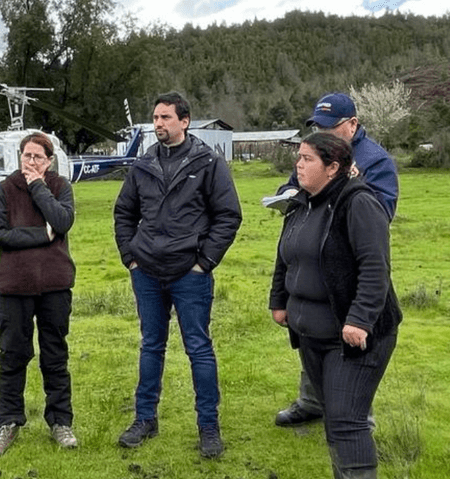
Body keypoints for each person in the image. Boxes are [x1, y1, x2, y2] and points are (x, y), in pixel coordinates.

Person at [113, 92, 242, 458]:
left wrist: (205, 262)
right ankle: (145, 419)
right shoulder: (143, 164)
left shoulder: (207, 163)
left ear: (185, 121)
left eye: (166, 117)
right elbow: (123, 213)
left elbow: (228, 215)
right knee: (151, 345)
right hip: (147, 272)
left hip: (190, 274)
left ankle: (208, 427)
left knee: (198, 348)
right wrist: (131, 258)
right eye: (155, 118)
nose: (158, 124)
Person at [268, 132, 402, 479]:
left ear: (333, 167)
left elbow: (375, 267)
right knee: (334, 415)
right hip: (311, 333)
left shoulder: (358, 203)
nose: (298, 164)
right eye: (298, 157)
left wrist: (359, 320)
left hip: (353, 335)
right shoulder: (301, 203)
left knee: (347, 420)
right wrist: (279, 301)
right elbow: (287, 257)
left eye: (308, 159)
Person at [0, 132, 77, 456]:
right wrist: (43, 234)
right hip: (14, 286)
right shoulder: (6, 189)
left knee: (55, 356)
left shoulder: (59, 187)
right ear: (19, 156)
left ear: (49, 161)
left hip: (54, 284)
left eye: (38, 157)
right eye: (27, 156)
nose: (31, 162)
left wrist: (38, 187)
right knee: (12, 356)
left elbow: (63, 220)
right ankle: (8, 422)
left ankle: (60, 422)